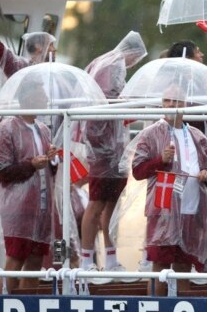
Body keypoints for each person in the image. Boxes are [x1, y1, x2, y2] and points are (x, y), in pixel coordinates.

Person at [129, 85, 207, 296]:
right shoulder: (150, 133)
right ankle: (155, 306)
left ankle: (181, 306)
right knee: (160, 267)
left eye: (175, 101)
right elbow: (138, 170)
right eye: (166, 101)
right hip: (165, 210)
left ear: (185, 105)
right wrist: (161, 160)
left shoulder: (197, 135)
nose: (170, 105)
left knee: (184, 268)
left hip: (192, 208)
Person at [79, 31, 147, 283]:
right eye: (136, 60)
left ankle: (109, 257)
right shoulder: (113, 65)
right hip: (104, 149)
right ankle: (86, 260)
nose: (133, 65)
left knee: (109, 205)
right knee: (97, 204)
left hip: (112, 147)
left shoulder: (105, 62)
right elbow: (109, 104)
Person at [0, 76, 59, 293]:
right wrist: (31, 164)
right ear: (28, 97)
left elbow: (47, 169)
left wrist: (52, 159)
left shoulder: (43, 129)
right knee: (16, 257)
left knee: (36, 261)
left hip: (41, 205)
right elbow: (1, 171)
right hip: (17, 207)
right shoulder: (6, 128)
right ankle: (2, 304)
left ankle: (28, 303)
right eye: (42, 93)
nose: (46, 98)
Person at [167, 40, 207, 147]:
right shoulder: (177, 83)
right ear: (187, 59)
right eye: (198, 52)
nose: (202, 55)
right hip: (189, 143)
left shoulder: (197, 80)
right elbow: (201, 98)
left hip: (203, 142)